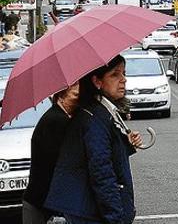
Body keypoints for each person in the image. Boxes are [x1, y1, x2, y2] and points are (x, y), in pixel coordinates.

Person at [44, 55, 143, 224]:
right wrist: (115, 217)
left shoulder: (98, 111)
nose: (123, 80)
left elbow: (97, 153)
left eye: (124, 73)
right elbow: (101, 172)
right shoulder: (94, 117)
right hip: (90, 212)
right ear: (97, 81)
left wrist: (124, 143)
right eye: (115, 74)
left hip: (87, 209)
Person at [21, 84, 81, 224]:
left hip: (41, 197)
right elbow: (59, 159)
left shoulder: (59, 117)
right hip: (42, 199)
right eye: (75, 96)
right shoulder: (56, 120)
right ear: (60, 97)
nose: (78, 101)